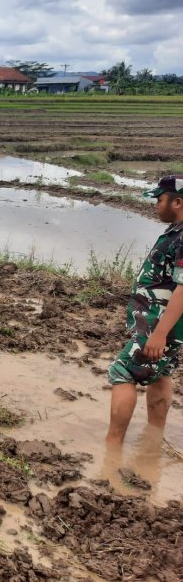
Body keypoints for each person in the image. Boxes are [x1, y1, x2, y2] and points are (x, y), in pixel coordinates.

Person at [106, 175, 183, 447]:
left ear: (177, 201)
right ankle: (153, 442)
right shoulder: (177, 231)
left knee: (123, 372)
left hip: (160, 324)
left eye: (160, 199)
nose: (156, 205)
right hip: (163, 324)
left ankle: (112, 449)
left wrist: (160, 333)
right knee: (161, 374)